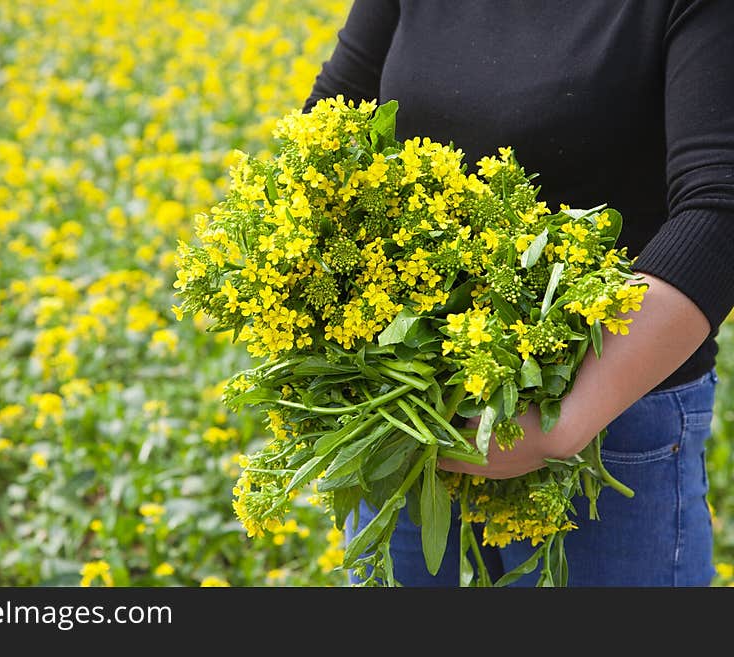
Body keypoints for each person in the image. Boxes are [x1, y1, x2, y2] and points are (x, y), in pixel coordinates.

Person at [303, 0, 734, 586]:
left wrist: (558, 424)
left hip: (611, 416)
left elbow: (718, 211)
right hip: (407, 412)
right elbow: (326, 132)